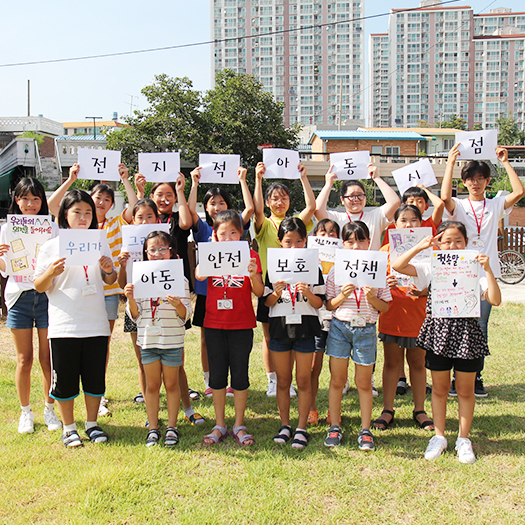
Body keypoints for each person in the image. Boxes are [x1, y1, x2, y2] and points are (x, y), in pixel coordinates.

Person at [392, 221, 501, 463]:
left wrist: (489, 270)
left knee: (465, 390)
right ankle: (439, 436)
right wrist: (421, 246)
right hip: (439, 333)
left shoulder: (475, 268)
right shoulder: (432, 266)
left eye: (458, 241)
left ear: (466, 243)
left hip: (467, 334)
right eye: (446, 240)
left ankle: (463, 439)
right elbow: (398, 265)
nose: (452, 245)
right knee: (439, 389)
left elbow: (494, 299)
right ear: (438, 243)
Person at [48, 162, 143, 416]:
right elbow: (52, 206)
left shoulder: (113, 225)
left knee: (101, 344)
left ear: (111, 205)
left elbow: (135, 210)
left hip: (107, 293)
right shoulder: (70, 226)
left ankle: (96, 395)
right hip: (73, 300)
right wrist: (70, 179)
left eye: (106, 199)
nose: (101, 202)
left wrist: (125, 180)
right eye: (97, 197)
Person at [34, 190, 117, 447]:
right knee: (66, 380)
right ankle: (69, 428)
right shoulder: (51, 246)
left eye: (88, 213)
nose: (83, 217)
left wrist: (108, 270)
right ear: (65, 215)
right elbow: (38, 286)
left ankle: (91, 424)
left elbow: (111, 280)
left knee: (94, 378)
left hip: (95, 322)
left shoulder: (99, 242)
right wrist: (50, 272)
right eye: (77, 212)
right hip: (64, 324)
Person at [441, 145, 524, 397]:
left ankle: (475, 378)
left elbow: (519, 191)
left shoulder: (497, 204)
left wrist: (506, 162)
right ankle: (457, 379)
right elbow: (445, 198)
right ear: (464, 182)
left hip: (487, 273)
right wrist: (450, 163)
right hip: (460, 275)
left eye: (480, 179)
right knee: (457, 326)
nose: (475, 183)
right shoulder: (460, 205)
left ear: (487, 181)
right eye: (470, 179)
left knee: (480, 326)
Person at [195, 210, 264, 446]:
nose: (228, 238)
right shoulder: (211, 253)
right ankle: (219, 424)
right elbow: (199, 276)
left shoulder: (251, 255)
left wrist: (254, 274)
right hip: (214, 323)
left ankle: (239, 424)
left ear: (241, 233)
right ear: (215, 234)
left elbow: (259, 291)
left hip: (242, 323)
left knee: (240, 374)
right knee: (217, 375)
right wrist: (210, 251)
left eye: (233, 232)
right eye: (222, 233)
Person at [185, 166, 254, 397]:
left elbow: (250, 209)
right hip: (208, 292)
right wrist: (194, 184)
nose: (217, 207)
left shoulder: (234, 226)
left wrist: (242, 180)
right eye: (212, 203)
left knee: (233, 338)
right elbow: (190, 212)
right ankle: (211, 379)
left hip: (233, 293)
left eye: (222, 202)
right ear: (206, 207)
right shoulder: (204, 228)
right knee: (208, 338)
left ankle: (234, 382)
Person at [0, 178, 61, 434]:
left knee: (48, 358)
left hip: (47, 296)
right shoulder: (7, 229)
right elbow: (6, 271)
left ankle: (49, 408)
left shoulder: (52, 227)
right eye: (25, 198)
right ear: (16, 200)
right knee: (24, 359)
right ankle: (25, 412)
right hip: (19, 297)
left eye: (36, 199)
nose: (31, 204)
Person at [324, 221, 392, 451]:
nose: (356, 246)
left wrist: (373, 299)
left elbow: (385, 307)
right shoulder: (336, 269)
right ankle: (334, 425)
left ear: (369, 242)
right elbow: (329, 305)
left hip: (366, 330)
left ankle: (365, 429)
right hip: (339, 328)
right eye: (350, 241)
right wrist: (342, 296)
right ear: (343, 244)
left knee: (363, 382)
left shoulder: (377, 268)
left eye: (361, 240)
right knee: (337, 380)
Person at [253, 161, 316, 397]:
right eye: (275, 199)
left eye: (284, 198)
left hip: (297, 286)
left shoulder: (295, 224)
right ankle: (274, 380)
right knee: (270, 336)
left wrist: (303, 178)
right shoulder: (265, 224)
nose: (280, 202)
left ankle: (287, 379)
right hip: (272, 286)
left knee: (294, 335)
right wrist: (258, 179)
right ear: (269, 202)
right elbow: (257, 211)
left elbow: (311, 206)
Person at [124, 231, 192, 447]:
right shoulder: (139, 279)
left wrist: (178, 304)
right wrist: (130, 298)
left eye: (163, 249)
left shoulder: (180, 280)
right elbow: (134, 315)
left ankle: (172, 426)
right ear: (145, 253)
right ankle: (153, 427)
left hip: (172, 340)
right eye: (152, 250)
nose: (157, 253)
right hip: (148, 340)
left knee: (172, 384)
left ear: (172, 252)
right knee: (152, 385)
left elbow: (185, 315)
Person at [264, 218, 325, 449]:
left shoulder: (313, 268)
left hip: (306, 328)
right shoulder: (273, 267)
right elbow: (266, 302)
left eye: (299, 241)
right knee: (283, 380)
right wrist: (276, 293)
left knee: (304, 379)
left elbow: (320, 303)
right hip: (280, 327)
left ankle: (301, 427)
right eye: (288, 241)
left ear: (305, 241)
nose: (294, 246)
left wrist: (308, 294)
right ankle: (285, 425)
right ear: (280, 241)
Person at [375, 205, 433, 432]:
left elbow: (443, 286)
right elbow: (373, 285)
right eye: (403, 220)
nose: (408, 225)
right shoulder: (384, 251)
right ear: (394, 225)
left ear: (421, 223)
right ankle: (387, 409)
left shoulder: (431, 250)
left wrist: (424, 292)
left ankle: (420, 410)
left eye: (413, 220)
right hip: (392, 314)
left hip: (419, 315)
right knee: (391, 363)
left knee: (418, 364)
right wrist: (383, 285)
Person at [150, 177, 204, 423]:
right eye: (159, 194)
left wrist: (183, 190)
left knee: (176, 356)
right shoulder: (145, 218)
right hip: (146, 292)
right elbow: (132, 214)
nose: (164, 198)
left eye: (169, 194)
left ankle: (186, 407)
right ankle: (152, 410)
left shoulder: (176, 219)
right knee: (147, 355)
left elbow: (185, 221)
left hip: (174, 289)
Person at [117, 198, 160, 405]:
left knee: (170, 357)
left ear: (157, 218)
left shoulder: (164, 243)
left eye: (149, 216)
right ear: (132, 220)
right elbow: (121, 284)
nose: (144, 221)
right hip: (135, 306)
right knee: (142, 358)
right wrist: (123, 266)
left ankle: (175, 398)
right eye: (139, 217)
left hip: (162, 308)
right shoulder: (128, 245)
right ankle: (147, 399)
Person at [315, 163, 400, 251]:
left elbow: (394, 202)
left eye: (360, 195)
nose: (356, 199)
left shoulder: (375, 216)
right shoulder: (336, 218)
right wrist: (328, 184)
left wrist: (376, 178)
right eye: (351, 196)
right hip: (344, 264)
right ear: (342, 200)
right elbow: (317, 210)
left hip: (369, 263)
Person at [307, 218, 341, 427]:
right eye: (322, 232)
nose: (327, 237)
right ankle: (311, 408)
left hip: (339, 316)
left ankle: (333, 410)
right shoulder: (307, 259)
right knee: (313, 366)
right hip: (316, 315)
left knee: (337, 368)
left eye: (332, 233)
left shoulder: (347, 259)